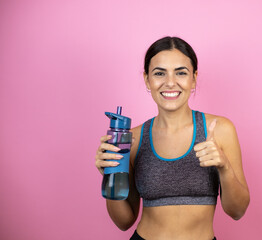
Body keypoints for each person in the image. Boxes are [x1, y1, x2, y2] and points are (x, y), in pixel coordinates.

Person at [95, 36, 250, 240]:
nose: (170, 83)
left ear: (193, 78)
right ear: (147, 79)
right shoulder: (132, 139)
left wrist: (224, 166)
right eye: (159, 73)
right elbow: (123, 222)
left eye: (181, 73)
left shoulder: (219, 130)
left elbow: (237, 211)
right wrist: (110, 175)